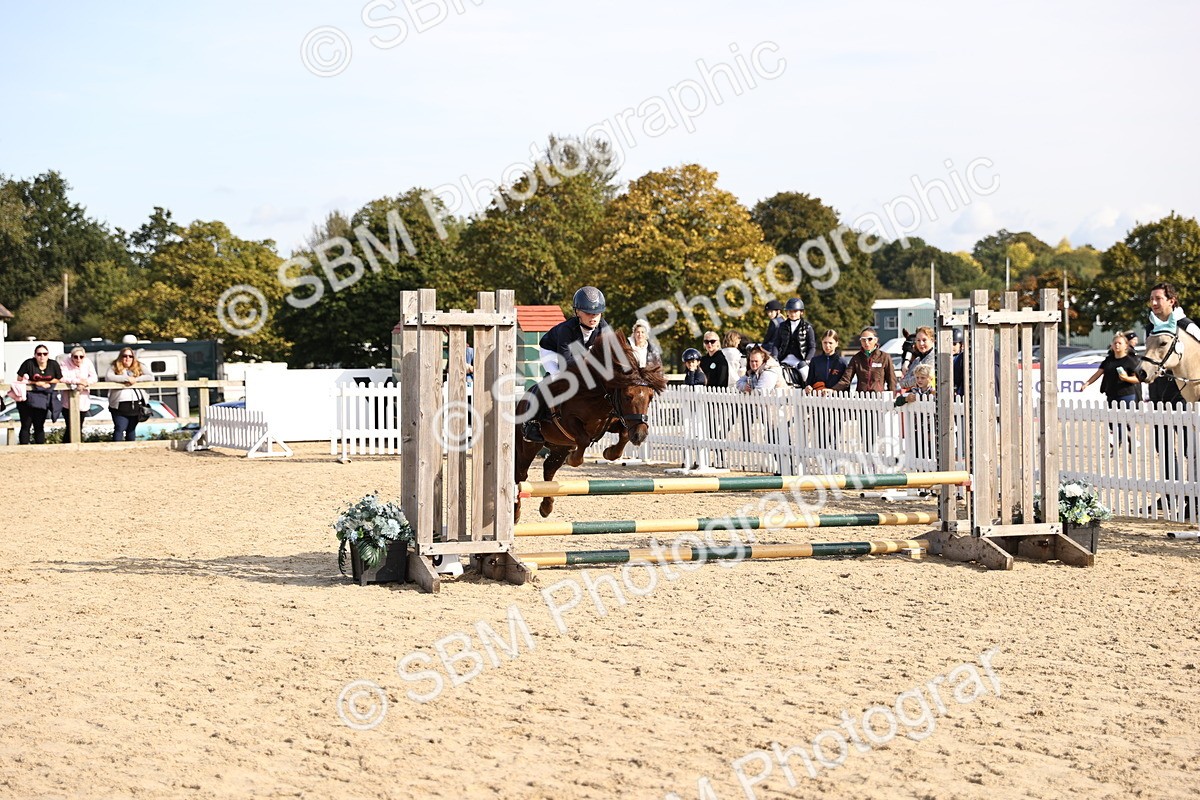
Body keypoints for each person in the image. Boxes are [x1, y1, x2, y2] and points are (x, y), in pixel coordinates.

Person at [522, 286, 611, 443]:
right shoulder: (567, 330)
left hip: (581, 353)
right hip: (552, 351)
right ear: (577, 312)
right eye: (588, 313)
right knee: (554, 379)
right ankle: (531, 423)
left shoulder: (604, 327)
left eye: (597, 313)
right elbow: (566, 364)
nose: (594, 317)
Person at [14, 345, 62, 444]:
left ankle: (40, 448)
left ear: (48, 355)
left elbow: (59, 378)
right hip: (27, 399)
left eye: (45, 354)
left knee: (39, 426)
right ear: (35, 355)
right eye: (39, 354)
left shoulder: (53, 364)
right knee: (26, 425)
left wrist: (47, 383)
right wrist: (35, 383)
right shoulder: (29, 363)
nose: (42, 356)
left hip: (43, 399)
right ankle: (24, 449)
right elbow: (19, 379)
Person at [106, 348, 154, 442]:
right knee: (120, 427)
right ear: (120, 357)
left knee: (131, 429)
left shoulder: (139, 366)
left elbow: (150, 376)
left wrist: (136, 379)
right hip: (119, 404)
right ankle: (116, 450)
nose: (127, 358)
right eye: (125, 356)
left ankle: (130, 450)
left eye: (130, 356)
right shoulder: (114, 366)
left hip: (136, 404)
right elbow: (109, 377)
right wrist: (126, 379)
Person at [829, 327, 896, 393]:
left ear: (876, 340)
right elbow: (846, 379)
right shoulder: (856, 358)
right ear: (860, 341)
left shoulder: (884, 357)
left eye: (870, 339)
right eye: (863, 340)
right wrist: (833, 389)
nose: (866, 342)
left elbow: (891, 380)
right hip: (861, 398)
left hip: (879, 398)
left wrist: (892, 399)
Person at [770, 298, 816, 385]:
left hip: (800, 360)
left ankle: (809, 392)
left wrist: (807, 360)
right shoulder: (782, 326)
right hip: (783, 359)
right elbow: (776, 344)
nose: (792, 314)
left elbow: (812, 347)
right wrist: (775, 356)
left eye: (795, 311)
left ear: (801, 312)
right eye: (790, 311)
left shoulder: (807, 327)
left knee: (806, 374)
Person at [58, 346, 99, 443]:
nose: (78, 359)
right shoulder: (64, 362)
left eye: (81, 357)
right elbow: (62, 377)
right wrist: (77, 381)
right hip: (67, 402)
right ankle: (68, 446)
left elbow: (94, 377)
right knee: (70, 426)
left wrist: (85, 383)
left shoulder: (87, 362)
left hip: (83, 401)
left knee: (79, 425)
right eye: (75, 357)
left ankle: (76, 445)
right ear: (71, 357)